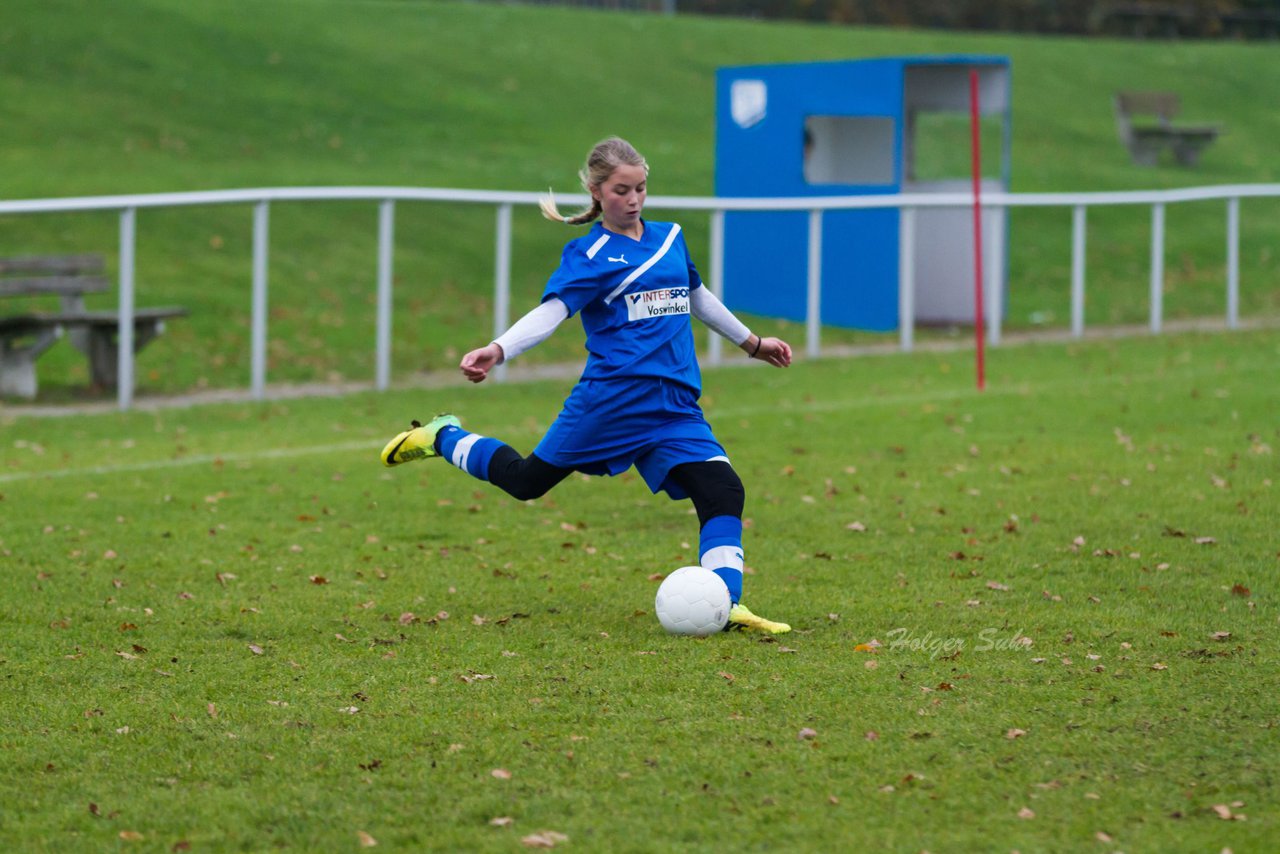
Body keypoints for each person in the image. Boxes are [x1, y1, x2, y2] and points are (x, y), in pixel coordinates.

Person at [380, 136, 794, 633]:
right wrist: (499, 349)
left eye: (641, 188)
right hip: (611, 402)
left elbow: (697, 295)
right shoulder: (589, 255)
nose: (635, 199)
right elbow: (551, 314)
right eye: (623, 190)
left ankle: (726, 603)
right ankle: (442, 435)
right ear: (598, 193)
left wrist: (753, 342)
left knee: (723, 489)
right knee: (526, 482)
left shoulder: (670, 238)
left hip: (673, 405)